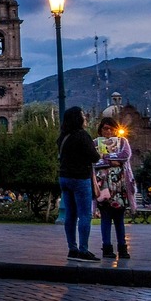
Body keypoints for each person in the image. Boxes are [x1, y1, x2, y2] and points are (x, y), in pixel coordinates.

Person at [58, 107, 101, 262]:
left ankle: (72, 249)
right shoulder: (83, 136)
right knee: (84, 214)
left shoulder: (63, 136)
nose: (85, 118)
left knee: (70, 214)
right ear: (78, 119)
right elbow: (94, 157)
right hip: (80, 178)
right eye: (83, 115)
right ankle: (83, 250)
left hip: (64, 178)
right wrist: (99, 153)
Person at [94, 117, 135, 259]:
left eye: (111, 128)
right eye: (105, 128)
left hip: (120, 187)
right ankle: (106, 247)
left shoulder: (123, 142)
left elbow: (125, 156)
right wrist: (112, 160)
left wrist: (105, 157)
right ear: (101, 130)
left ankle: (122, 248)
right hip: (103, 187)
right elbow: (94, 161)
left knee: (119, 218)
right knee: (105, 217)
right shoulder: (95, 143)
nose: (109, 131)